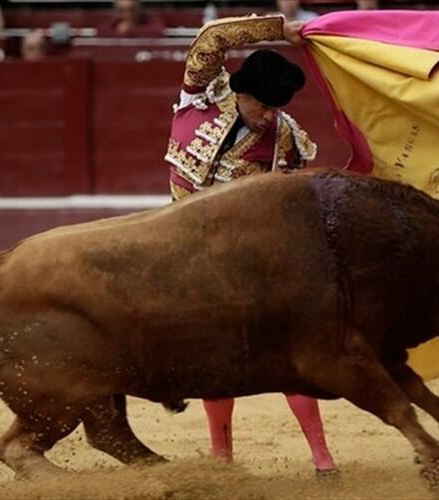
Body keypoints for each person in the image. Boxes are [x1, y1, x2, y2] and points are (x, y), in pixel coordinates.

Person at [163, 14, 335, 476]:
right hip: (175, 245)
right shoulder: (201, 92)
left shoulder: (287, 140)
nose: (270, 116)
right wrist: (281, 29)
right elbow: (213, 36)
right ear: (241, 92)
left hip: (243, 258)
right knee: (207, 359)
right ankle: (221, 461)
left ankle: (323, 460)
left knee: (285, 354)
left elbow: (295, 203)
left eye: (277, 108)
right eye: (263, 106)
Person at [96, 0, 166, 38]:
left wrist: (131, 29)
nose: (128, 14)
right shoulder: (115, 21)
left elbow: (158, 32)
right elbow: (100, 31)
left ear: (139, 8)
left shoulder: (149, 18)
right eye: (123, 10)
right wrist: (118, 33)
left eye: (132, 9)